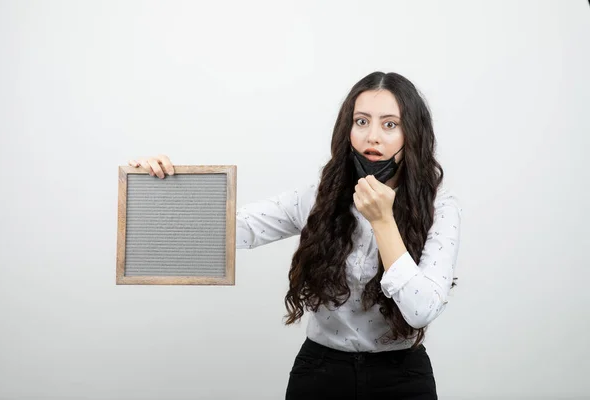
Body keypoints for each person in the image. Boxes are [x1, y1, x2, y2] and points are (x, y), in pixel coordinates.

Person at [128, 71, 462, 399]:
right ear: (348, 129)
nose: (373, 136)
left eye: (390, 124)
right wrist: (157, 188)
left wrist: (383, 221)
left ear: (412, 134)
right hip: (321, 373)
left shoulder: (441, 207)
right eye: (362, 121)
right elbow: (229, 230)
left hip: (402, 377)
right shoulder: (318, 198)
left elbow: (421, 310)